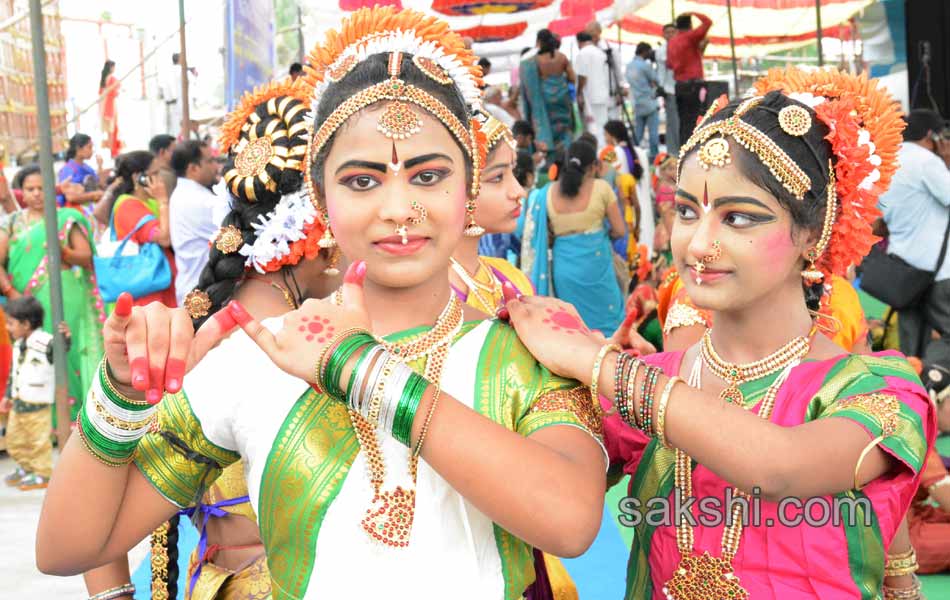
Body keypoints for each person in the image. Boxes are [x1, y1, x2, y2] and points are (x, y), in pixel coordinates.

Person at [38, 9, 606, 600]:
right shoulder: (260, 355)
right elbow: (68, 548)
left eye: (428, 175)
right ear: (319, 196)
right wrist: (121, 399)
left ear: (467, 188)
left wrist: (364, 372)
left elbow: (568, 521)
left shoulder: (523, 351)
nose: (397, 208)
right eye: (362, 181)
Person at [505, 68, 935, 600]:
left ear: (811, 232)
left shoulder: (875, 390)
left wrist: (597, 362)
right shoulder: (642, 388)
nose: (699, 244)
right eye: (686, 211)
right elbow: (547, 506)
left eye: (738, 218)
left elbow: (781, 466)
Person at [80, 77, 342, 600]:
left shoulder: (181, 341)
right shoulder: (326, 348)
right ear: (322, 240)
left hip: (210, 583)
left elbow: (94, 509)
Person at [0, 165, 105, 422]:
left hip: (64, 294)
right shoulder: (12, 223)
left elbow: (85, 257)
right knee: (34, 358)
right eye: (30, 189)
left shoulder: (66, 218)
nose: (36, 194)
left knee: (64, 350)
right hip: (24, 303)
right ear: (21, 192)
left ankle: (72, 421)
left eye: (41, 188)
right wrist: (11, 292)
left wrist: (64, 252)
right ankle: (45, 426)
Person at [519, 140, 626, 334]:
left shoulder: (547, 192)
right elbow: (620, 230)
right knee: (609, 325)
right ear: (593, 166)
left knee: (575, 328)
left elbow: (543, 234)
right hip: (597, 266)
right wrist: (602, 235)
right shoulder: (601, 188)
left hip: (565, 269)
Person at [877, 109, 950, 364]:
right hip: (938, 272)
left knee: (911, 342)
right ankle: (933, 375)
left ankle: (915, 391)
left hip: (904, 270)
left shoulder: (888, 162)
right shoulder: (926, 162)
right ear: (931, 134)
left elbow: (879, 215)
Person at [0, 297, 66, 491]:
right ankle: (26, 468)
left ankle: (42, 474)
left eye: (11, 323)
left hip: (38, 407)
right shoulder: (18, 344)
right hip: (19, 404)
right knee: (14, 440)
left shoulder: (46, 342)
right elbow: (14, 373)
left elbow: (61, 352)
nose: (7, 328)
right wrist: (7, 396)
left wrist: (65, 338)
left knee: (38, 443)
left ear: (26, 324)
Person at [110, 150, 176, 307]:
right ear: (137, 177)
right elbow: (164, 238)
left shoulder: (149, 202)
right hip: (145, 290)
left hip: (160, 282)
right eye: (155, 173)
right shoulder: (128, 205)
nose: (160, 179)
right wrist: (163, 201)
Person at [169, 139, 221, 305]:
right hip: (200, 292)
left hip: (194, 286)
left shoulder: (188, 194)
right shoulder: (197, 200)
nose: (216, 166)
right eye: (210, 161)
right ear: (193, 168)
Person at [519, 28, 575, 159]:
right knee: (564, 128)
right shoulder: (562, 57)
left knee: (549, 128)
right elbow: (572, 78)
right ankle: (566, 154)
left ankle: (552, 158)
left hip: (545, 101)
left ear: (538, 41)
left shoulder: (533, 61)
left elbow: (530, 86)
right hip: (562, 99)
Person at [575, 21, 625, 148]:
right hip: (597, 95)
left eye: (592, 32)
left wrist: (621, 89)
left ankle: (615, 152)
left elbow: (618, 72)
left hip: (611, 94)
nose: (591, 35)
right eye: (588, 33)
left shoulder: (609, 49)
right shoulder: (593, 50)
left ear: (599, 32)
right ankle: (608, 153)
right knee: (601, 127)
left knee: (612, 126)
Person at [667, 12, 712, 144]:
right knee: (696, 118)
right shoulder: (690, 36)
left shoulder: (672, 42)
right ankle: (695, 147)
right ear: (690, 25)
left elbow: (669, 64)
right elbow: (708, 22)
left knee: (683, 120)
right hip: (694, 85)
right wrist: (694, 12)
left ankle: (683, 148)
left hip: (679, 85)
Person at [626, 42, 660, 161]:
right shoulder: (645, 65)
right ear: (645, 51)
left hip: (636, 103)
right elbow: (657, 79)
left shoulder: (629, 65)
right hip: (649, 102)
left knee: (637, 134)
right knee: (653, 133)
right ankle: (654, 157)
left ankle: (633, 156)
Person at [57, 133, 104, 209]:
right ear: (78, 149)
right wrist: (93, 195)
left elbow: (99, 184)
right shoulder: (68, 170)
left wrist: (100, 166)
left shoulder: (87, 168)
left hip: (89, 210)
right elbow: (70, 197)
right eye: (89, 147)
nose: (92, 151)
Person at [654, 23, 680, 156]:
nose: (670, 35)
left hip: (683, 89)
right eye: (667, 32)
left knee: (681, 121)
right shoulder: (661, 50)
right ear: (663, 35)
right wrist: (661, 87)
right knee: (673, 122)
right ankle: (674, 151)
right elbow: (661, 72)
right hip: (670, 90)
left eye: (673, 32)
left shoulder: (681, 46)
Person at [99, 60, 122, 158]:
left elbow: (100, 92)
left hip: (103, 107)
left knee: (109, 131)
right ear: (111, 68)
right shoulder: (112, 79)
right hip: (111, 106)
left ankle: (112, 151)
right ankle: (114, 152)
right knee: (113, 130)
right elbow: (115, 92)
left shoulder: (103, 79)